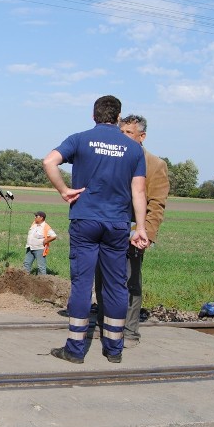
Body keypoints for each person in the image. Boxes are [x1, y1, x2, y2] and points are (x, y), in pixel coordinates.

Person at [43, 95, 148, 364]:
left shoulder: (79, 139)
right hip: (117, 224)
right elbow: (139, 191)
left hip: (85, 220)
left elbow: (49, 162)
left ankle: (75, 350)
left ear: (93, 116)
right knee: (116, 285)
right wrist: (141, 228)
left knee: (82, 284)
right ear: (118, 118)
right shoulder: (134, 149)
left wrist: (64, 190)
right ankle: (114, 349)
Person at [95, 114, 169, 348]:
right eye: (121, 132)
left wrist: (145, 232)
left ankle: (129, 331)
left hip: (134, 233)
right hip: (107, 229)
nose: (123, 137)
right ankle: (104, 326)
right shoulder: (112, 158)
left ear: (142, 136)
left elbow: (156, 204)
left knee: (130, 283)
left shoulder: (155, 165)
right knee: (103, 279)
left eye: (129, 133)